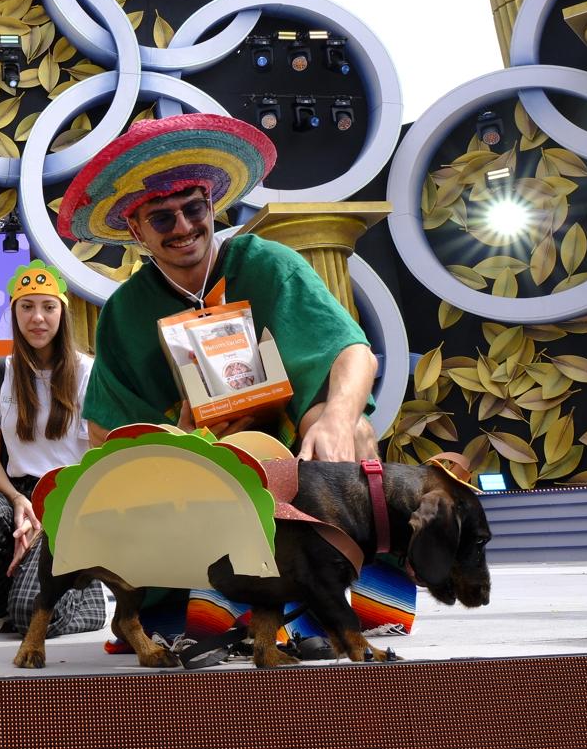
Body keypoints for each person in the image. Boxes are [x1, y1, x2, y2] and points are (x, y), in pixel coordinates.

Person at [56, 111, 393, 648]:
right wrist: (181, 437)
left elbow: (355, 354)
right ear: (136, 230)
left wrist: (333, 418)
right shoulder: (125, 311)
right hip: (194, 469)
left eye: (193, 209)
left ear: (213, 207)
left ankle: (336, 601)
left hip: (290, 453)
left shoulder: (269, 264)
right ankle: (222, 611)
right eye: (162, 219)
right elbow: (104, 433)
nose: (184, 227)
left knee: (353, 431)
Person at [0, 260, 106, 637]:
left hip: (70, 501)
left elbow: (98, 460)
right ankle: (3, 610)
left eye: (48, 307)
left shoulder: (87, 372)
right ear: (14, 313)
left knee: (31, 613)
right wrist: (18, 501)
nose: (38, 318)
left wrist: (46, 522)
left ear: (63, 313)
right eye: (27, 307)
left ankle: (89, 601)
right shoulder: (2, 371)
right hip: (22, 495)